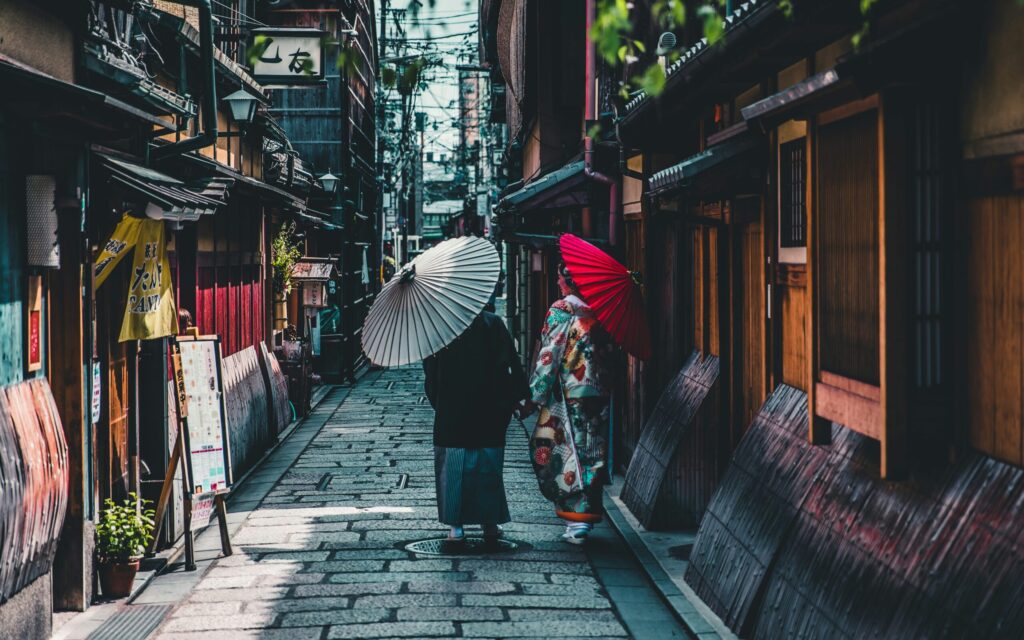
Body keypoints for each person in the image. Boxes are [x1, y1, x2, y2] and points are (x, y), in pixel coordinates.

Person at [520, 263, 613, 545]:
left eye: (561, 278)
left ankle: (574, 520)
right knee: (591, 451)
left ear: (569, 281)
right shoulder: (598, 310)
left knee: (562, 449)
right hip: (597, 391)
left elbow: (550, 353)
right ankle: (584, 516)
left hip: (567, 393)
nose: (558, 282)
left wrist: (534, 395)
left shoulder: (563, 309)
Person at [423, 297, 529, 542]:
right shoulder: (492, 323)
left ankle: (455, 527)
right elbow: (510, 366)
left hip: (452, 411)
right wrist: (517, 399)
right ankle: (489, 524)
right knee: (488, 467)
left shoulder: (440, 329)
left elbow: (431, 374)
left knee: (453, 467)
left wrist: (440, 403)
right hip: (489, 409)